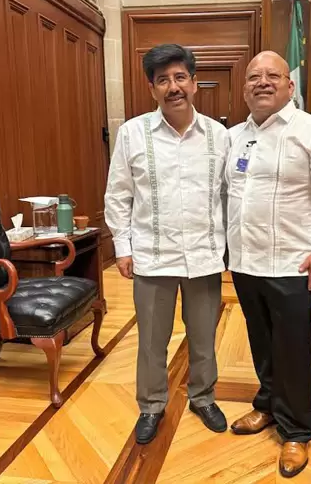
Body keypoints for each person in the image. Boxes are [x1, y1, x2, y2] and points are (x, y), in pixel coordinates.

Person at [225, 51, 311, 478]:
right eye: (254, 76)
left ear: (290, 84)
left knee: (293, 349)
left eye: (272, 75)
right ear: (245, 87)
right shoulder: (234, 137)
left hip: (293, 265)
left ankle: (296, 430)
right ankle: (267, 405)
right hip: (245, 261)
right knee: (261, 341)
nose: (262, 82)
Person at [103, 44, 230, 445]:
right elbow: (118, 194)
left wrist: (230, 246)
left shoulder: (219, 136)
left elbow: (228, 196)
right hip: (152, 256)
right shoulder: (132, 133)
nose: (173, 87)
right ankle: (151, 406)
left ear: (194, 83)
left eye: (180, 77)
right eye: (163, 80)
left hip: (204, 256)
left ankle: (203, 397)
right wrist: (122, 247)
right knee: (151, 342)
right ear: (152, 88)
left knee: (204, 338)